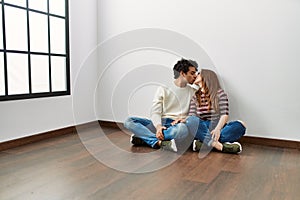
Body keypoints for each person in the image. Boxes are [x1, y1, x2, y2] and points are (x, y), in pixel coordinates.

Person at [124, 58, 200, 152]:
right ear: (182, 73)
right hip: (161, 122)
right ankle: (158, 141)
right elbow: (155, 111)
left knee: (182, 130)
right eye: (192, 73)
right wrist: (158, 126)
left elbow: (196, 114)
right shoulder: (163, 88)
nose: (195, 76)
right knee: (129, 121)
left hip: (176, 125)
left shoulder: (194, 92)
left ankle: (145, 138)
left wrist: (199, 83)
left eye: (196, 74)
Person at [186, 69, 246, 154]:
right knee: (191, 121)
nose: (196, 75)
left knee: (240, 126)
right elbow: (191, 116)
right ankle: (216, 144)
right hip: (203, 127)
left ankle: (203, 143)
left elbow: (224, 114)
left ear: (206, 77)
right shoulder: (195, 97)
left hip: (217, 126)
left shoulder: (220, 93)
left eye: (199, 74)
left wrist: (218, 129)